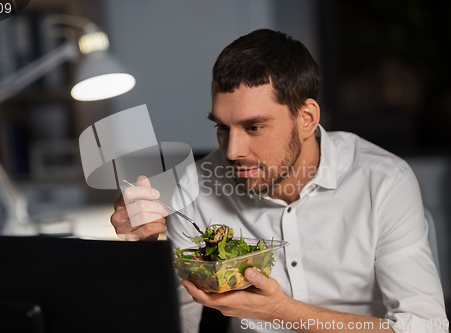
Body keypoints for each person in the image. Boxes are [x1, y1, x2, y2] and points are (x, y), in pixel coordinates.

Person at [111, 29, 448, 333]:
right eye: (222, 127)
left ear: (306, 119)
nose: (233, 151)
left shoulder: (383, 181)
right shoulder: (194, 186)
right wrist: (144, 246)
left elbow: (426, 327)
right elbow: (176, 317)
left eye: (254, 127)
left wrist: (283, 312)